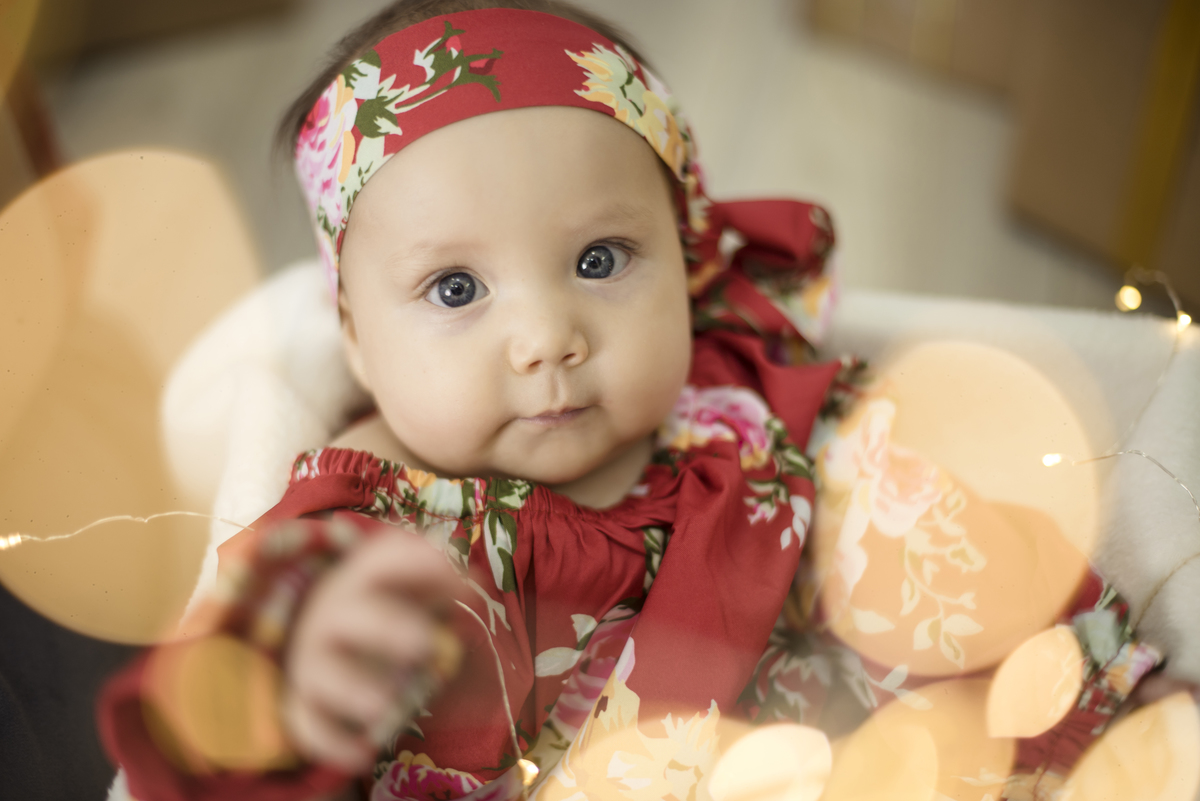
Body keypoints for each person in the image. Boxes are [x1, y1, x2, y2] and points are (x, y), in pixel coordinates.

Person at [97, 3, 1176, 800]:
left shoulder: (746, 408)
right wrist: (302, 670)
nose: (547, 337)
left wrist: (1103, 726)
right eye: (457, 290)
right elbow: (232, 674)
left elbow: (939, 561)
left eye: (602, 258)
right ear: (358, 342)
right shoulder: (378, 522)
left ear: (688, 254)